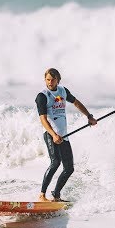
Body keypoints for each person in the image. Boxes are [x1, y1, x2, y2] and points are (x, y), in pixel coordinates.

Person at [35, 68, 97, 202]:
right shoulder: (42, 96)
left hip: (64, 136)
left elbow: (76, 102)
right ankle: (42, 195)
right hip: (51, 134)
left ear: (58, 80)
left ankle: (56, 195)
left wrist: (89, 116)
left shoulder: (63, 91)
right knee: (55, 162)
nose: (50, 82)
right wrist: (53, 135)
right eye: (47, 80)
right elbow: (43, 120)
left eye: (52, 80)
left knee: (69, 168)